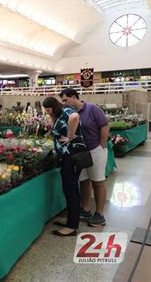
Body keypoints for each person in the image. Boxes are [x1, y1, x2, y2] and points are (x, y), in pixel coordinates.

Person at [59, 88, 109, 227]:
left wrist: (101, 146)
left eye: (65, 100)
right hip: (80, 152)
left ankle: (99, 214)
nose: (63, 103)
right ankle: (85, 209)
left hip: (95, 150)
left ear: (74, 97)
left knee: (97, 182)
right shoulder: (69, 112)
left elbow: (104, 127)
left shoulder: (92, 109)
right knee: (84, 181)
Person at [43, 97, 87, 236]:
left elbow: (75, 117)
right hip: (66, 157)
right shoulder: (59, 115)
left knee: (71, 189)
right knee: (68, 188)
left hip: (71, 156)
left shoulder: (67, 111)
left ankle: (72, 226)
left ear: (54, 106)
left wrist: (70, 136)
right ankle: (70, 220)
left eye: (49, 110)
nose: (48, 112)